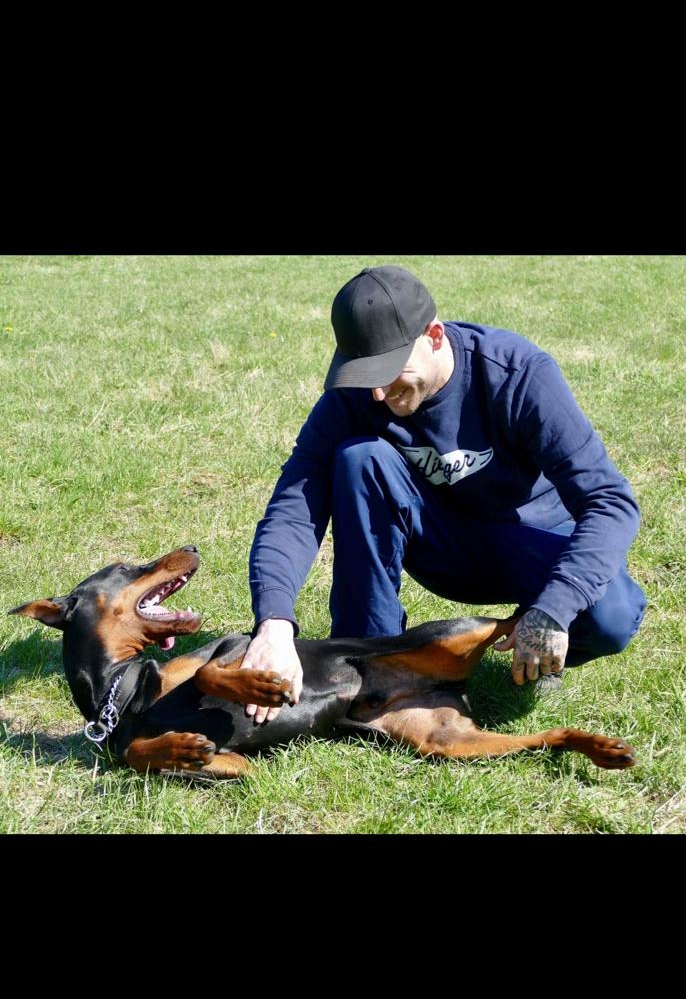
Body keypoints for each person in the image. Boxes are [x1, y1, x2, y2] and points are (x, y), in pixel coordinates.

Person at [242, 264, 647, 724]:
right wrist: (273, 622)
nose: (377, 392)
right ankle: (367, 659)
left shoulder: (516, 374)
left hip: (529, 540)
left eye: (390, 370)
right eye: (364, 373)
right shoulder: (356, 397)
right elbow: (294, 507)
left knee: (612, 617)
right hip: (443, 545)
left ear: (434, 335)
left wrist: (554, 608)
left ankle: (538, 641)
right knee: (360, 458)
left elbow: (610, 501)